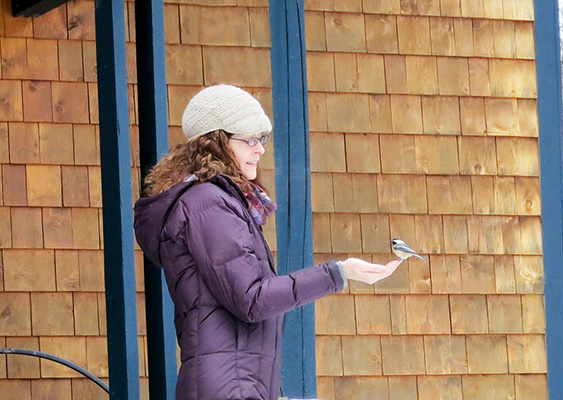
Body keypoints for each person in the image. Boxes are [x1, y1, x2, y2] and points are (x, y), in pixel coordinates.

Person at [133, 84, 401, 400]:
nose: (260, 149)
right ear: (214, 144)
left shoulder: (216, 202)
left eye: (262, 139)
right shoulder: (208, 204)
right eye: (250, 139)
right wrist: (338, 273)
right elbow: (252, 299)